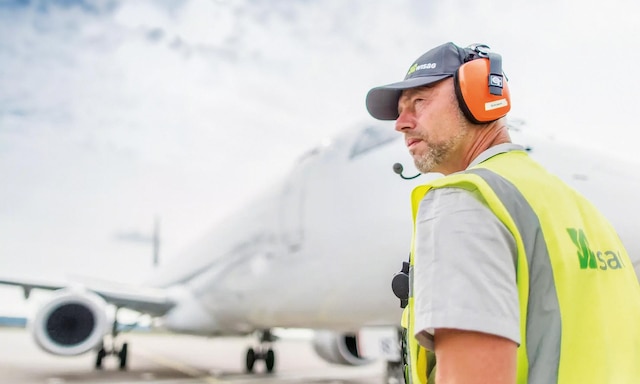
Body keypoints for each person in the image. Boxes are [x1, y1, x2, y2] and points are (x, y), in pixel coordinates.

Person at [365, 41, 640, 383]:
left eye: (419, 102)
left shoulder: (465, 201)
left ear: (478, 97)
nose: (401, 124)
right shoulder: (582, 211)